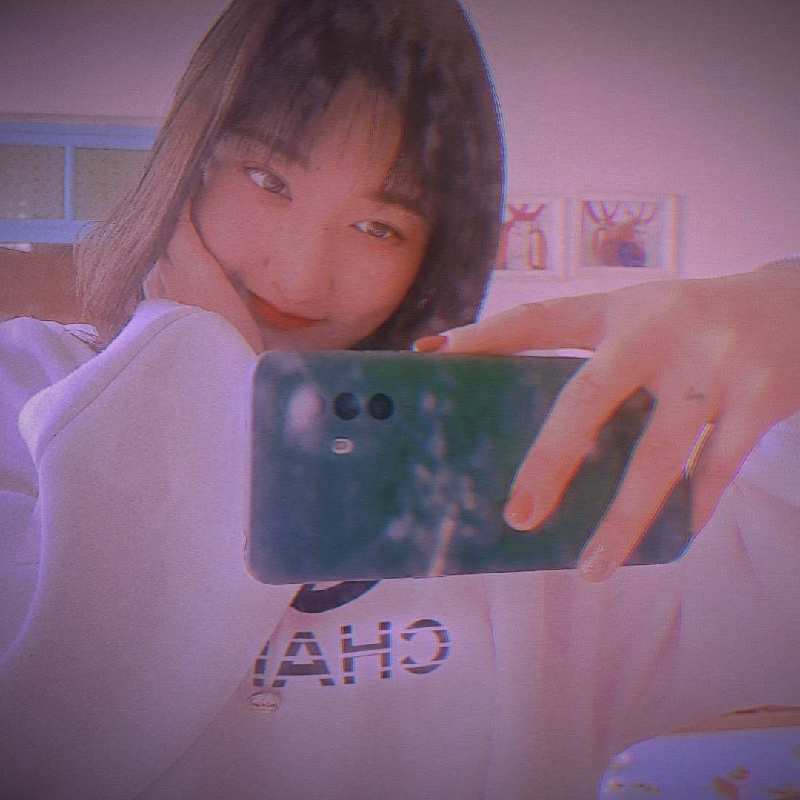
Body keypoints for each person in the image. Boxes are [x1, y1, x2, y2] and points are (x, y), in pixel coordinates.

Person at [0, 1, 797, 798]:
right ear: (186, 165)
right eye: (268, 180)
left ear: (433, 256)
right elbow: (45, 747)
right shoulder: (27, 386)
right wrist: (191, 362)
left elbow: (770, 605)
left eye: (379, 227)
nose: (300, 277)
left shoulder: (511, 460)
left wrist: (785, 302)